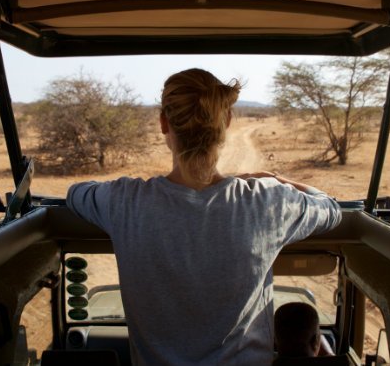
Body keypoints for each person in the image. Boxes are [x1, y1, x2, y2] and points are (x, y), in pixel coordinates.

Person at [67, 68, 342, 365]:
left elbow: (75, 193)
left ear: (163, 123)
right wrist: (276, 179)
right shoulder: (268, 202)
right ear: (226, 122)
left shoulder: (124, 201)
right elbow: (331, 208)